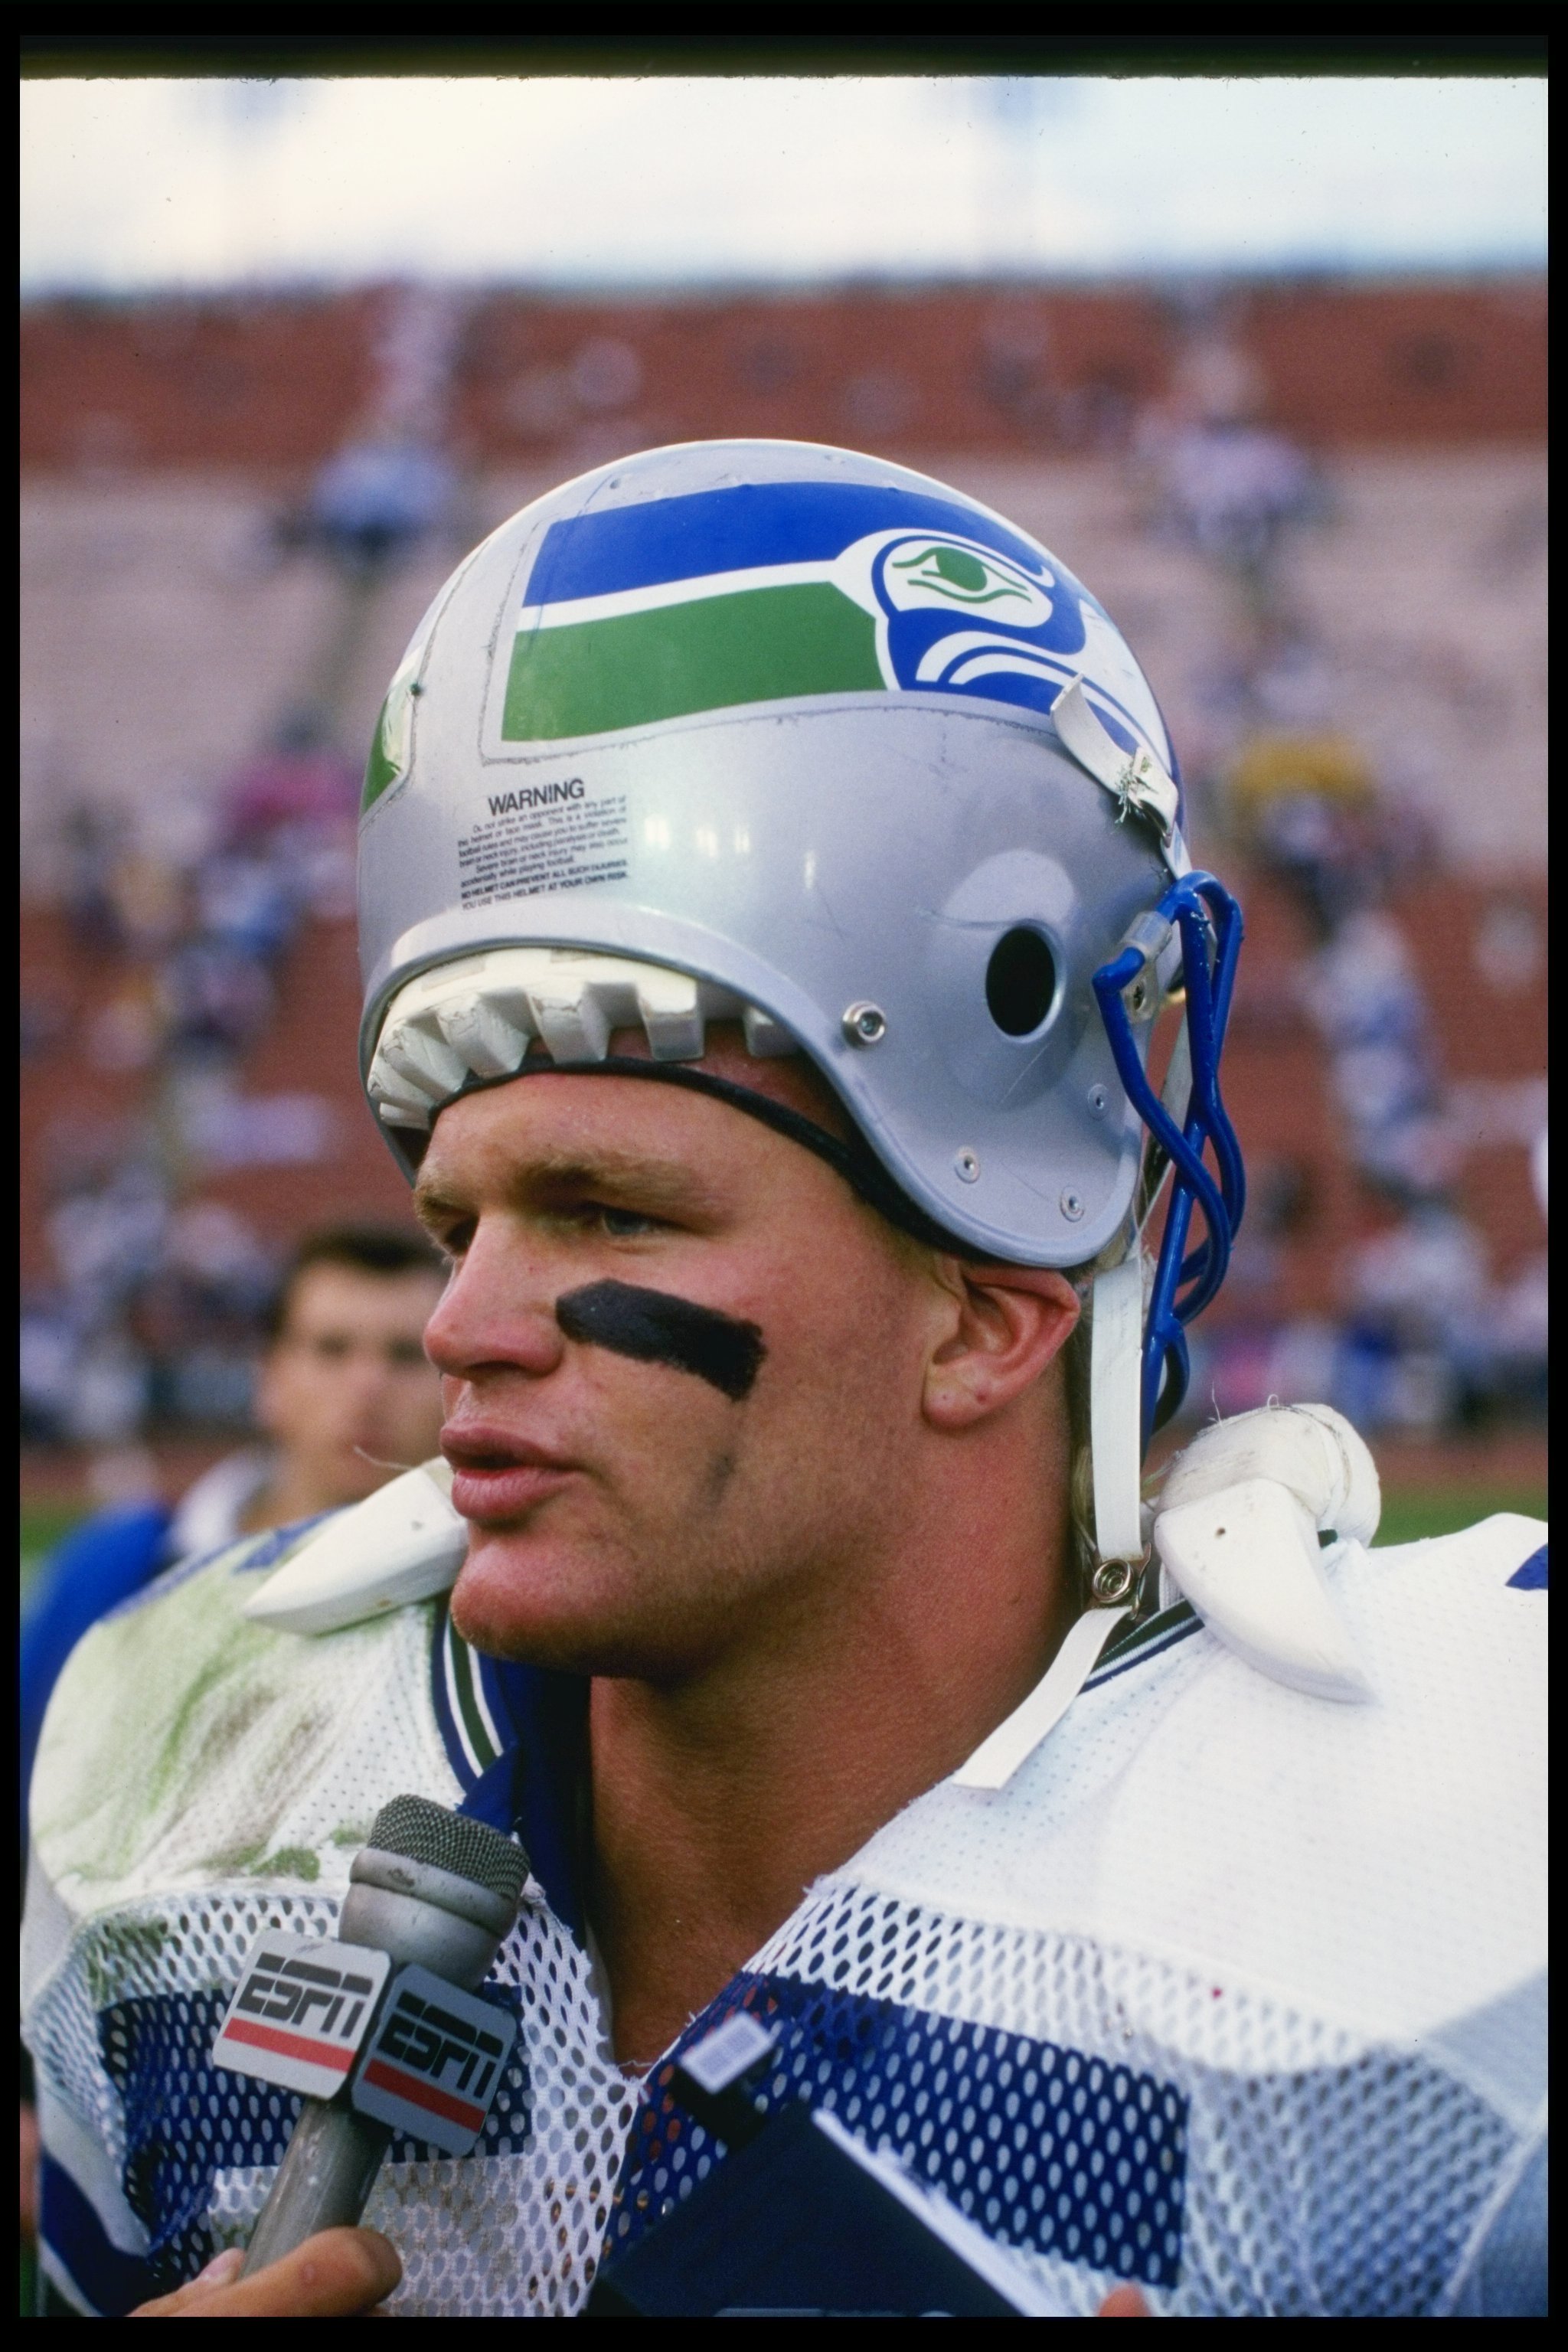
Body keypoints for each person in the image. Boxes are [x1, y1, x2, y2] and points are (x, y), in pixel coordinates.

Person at [22, 444, 1544, 2318]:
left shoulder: (1460, 1828)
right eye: (454, 1221)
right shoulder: (200, 1756)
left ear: (989, 1309)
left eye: (608, 1212)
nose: (462, 1326)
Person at [20, 1223, 446, 1824]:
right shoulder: (118, 1572)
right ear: (268, 1379)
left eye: (406, 1356)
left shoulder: (494, 1606)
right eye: (331, 1349)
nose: (367, 1386)